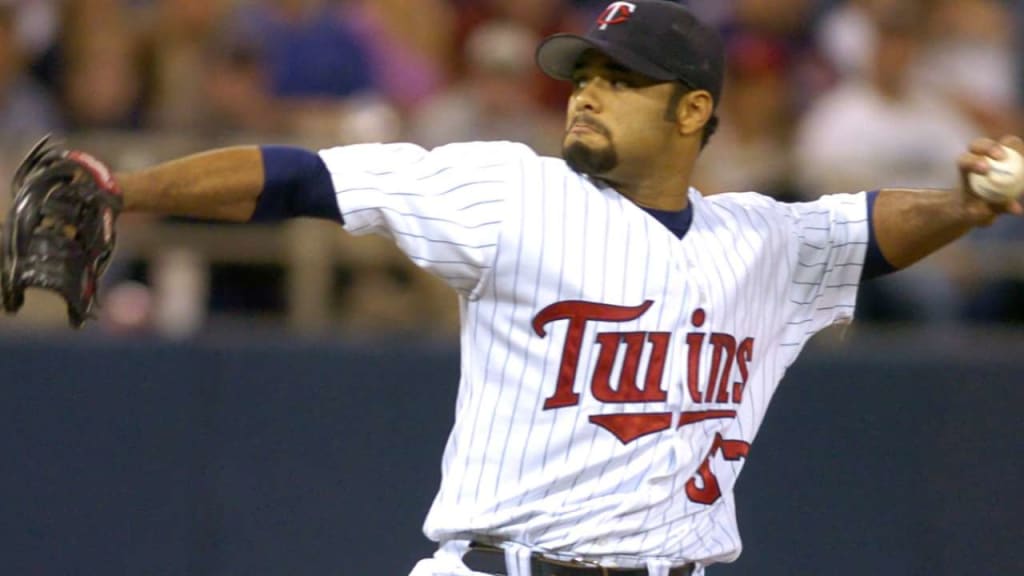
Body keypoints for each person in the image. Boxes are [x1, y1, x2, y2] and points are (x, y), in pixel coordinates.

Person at [15, 2, 1022, 575]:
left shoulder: (757, 241)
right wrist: (134, 189)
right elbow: (308, 177)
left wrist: (967, 204)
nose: (585, 87)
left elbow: (865, 231)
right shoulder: (510, 191)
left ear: (692, 111)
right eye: (582, 70)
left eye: (619, 78)